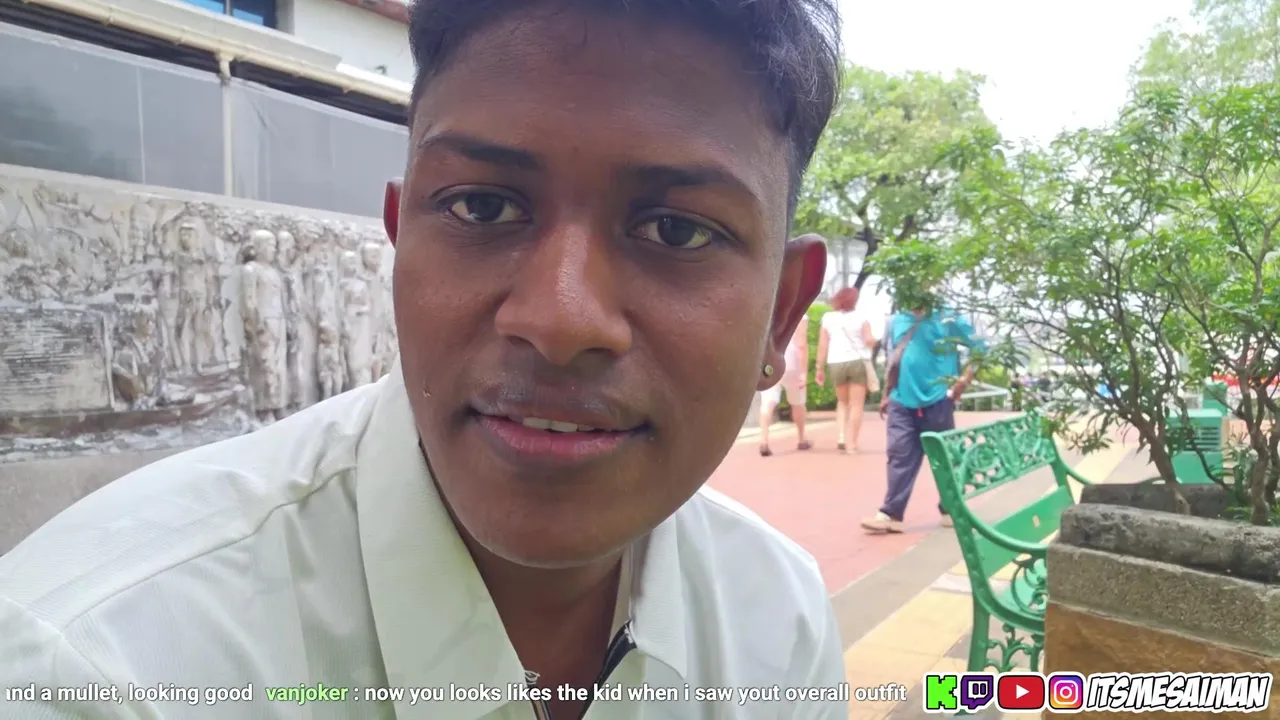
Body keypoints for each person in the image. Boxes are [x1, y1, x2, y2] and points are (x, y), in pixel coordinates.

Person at [0, 1, 846, 718]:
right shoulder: (97, 670)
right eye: (483, 207)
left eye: (677, 230)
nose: (559, 320)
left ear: (781, 312)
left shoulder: (778, 622)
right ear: (400, 240)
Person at [861, 304, 984, 534]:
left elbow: (980, 347)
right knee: (898, 454)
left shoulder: (948, 318)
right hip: (901, 400)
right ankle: (891, 514)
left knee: (944, 457)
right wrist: (888, 393)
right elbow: (895, 359)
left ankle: (950, 508)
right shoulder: (897, 320)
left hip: (938, 400)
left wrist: (964, 381)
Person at [816, 287, 876, 453]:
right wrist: (871, 342)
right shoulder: (861, 318)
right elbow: (869, 340)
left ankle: (841, 437)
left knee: (842, 402)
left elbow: (822, 345)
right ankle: (852, 444)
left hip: (835, 363)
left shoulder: (828, 318)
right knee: (856, 405)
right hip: (857, 362)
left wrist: (819, 368)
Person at [758, 314, 811, 456]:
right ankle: (801, 438)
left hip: (770, 364)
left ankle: (764, 440)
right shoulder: (800, 315)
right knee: (798, 403)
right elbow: (801, 345)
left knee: (767, 402)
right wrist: (803, 372)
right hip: (792, 365)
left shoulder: (769, 312)